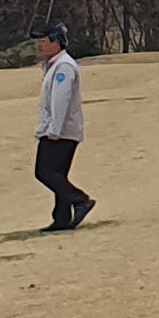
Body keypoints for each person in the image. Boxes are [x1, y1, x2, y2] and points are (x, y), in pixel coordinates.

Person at [32, 25, 96, 231]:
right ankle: (61, 218)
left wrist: (54, 130)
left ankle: (80, 200)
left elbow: (61, 100)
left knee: (45, 172)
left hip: (60, 131)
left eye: (44, 42)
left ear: (56, 42)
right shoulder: (54, 66)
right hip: (59, 130)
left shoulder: (64, 67)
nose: (40, 46)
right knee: (58, 174)